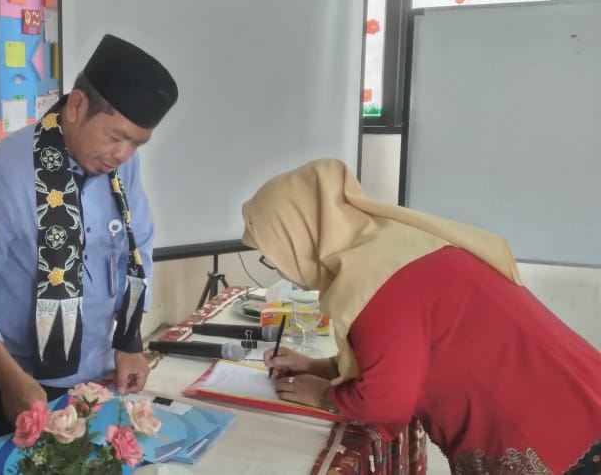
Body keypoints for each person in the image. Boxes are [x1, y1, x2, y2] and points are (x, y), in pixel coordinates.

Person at [244, 158, 601, 474]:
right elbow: (407, 355)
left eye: (273, 256)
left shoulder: (375, 284)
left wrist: (323, 394)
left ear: (300, 240)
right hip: (576, 397)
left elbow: (385, 403)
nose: (280, 269)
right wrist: (320, 367)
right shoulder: (391, 249)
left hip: (552, 435)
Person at [0, 34, 178, 434]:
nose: (123, 154)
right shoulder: (0, 176)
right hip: (21, 377)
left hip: (98, 369)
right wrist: (8, 380)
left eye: (136, 144)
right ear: (77, 106)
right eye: (116, 137)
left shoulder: (122, 168)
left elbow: (137, 247)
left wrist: (129, 340)